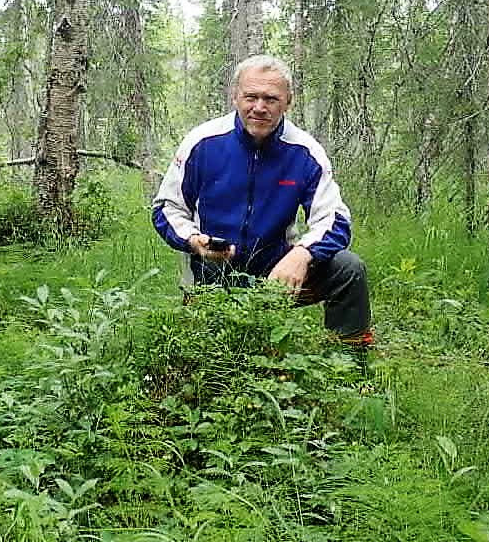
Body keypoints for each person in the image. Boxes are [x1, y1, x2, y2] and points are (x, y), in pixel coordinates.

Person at [151, 54, 372, 346]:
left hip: (277, 274)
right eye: (250, 97)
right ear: (235, 97)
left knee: (348, 268)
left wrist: (301, 254)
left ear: (288, 102)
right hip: (213, 268)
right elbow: (167, 208)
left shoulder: (304, 151)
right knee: (218, 351)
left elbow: (335, 219)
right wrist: (194, 240)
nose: (259, 108)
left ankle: (350, 364)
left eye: (271, 99)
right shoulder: (203, 142)